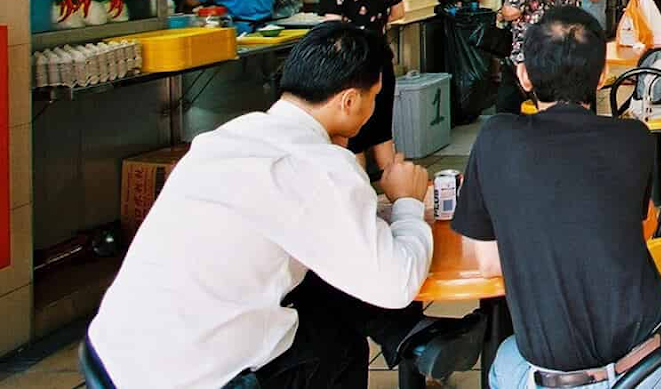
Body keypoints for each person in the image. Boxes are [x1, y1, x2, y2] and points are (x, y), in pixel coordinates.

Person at [87, 23, 485, 389]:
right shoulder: (319, 166)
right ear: (349, 100)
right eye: (374, 98)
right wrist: (407, 203)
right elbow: (397, 283)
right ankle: (416, 339)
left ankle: (416, 338)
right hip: (199, 378)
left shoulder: (229, 136)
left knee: (319, 281)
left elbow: (316, 229)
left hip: (111, 359)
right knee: (339, 345)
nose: (373, 110)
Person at [455, 8, 661, 389]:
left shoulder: (495, 139)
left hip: (553, 378)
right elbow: (637, 231)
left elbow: (487, 262)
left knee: (506, 356)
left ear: (524, 76)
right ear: (603, 76)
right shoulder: (634, 139)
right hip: (648, 369)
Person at [319, 0, 405, 169]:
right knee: (382, 131)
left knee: (351, 137)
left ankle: (360, 199)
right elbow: (398, 13)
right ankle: (398, 198)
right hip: (381, 58)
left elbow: (332, 27)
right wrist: (373, 22)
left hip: (350, 64)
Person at [498, 0, 577, 113]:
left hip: (527, 51)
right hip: (555, 50)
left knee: (509, 104)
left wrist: (501, 13)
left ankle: (512, 138)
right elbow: (571, 11)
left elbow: (511, 11)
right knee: (547, 101)